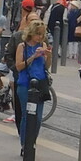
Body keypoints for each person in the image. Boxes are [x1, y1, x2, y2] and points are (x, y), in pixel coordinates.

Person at [13, 18, 52, 151]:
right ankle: (25, 144)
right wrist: (33, 57)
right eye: (38, 34)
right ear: (31, 33)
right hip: (25, 84)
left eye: (42, 34)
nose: (40, 37)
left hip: (40, 84)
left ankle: (32, 141)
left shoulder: (43, 45)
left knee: (38, 118)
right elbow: (18, 67)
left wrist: (48, 56)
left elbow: (46, 66)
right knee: (27, 115)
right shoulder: (22, 47)